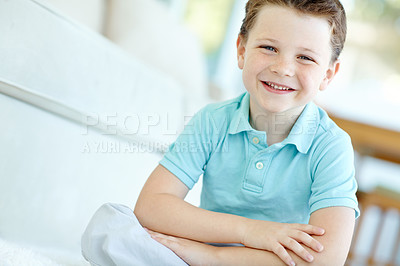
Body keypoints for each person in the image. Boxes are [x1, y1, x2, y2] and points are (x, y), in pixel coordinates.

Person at [81, 0, 359, 265]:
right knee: (111, 227)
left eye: (305, 57)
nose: (282, 68)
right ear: (241, 50)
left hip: (260, 263)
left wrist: (213, 259)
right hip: (196, 255)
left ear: (328, 75)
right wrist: (250, 231)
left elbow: (327, 258)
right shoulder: (212, 122)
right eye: (269, 48)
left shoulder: (332, 146)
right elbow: (151, 207)